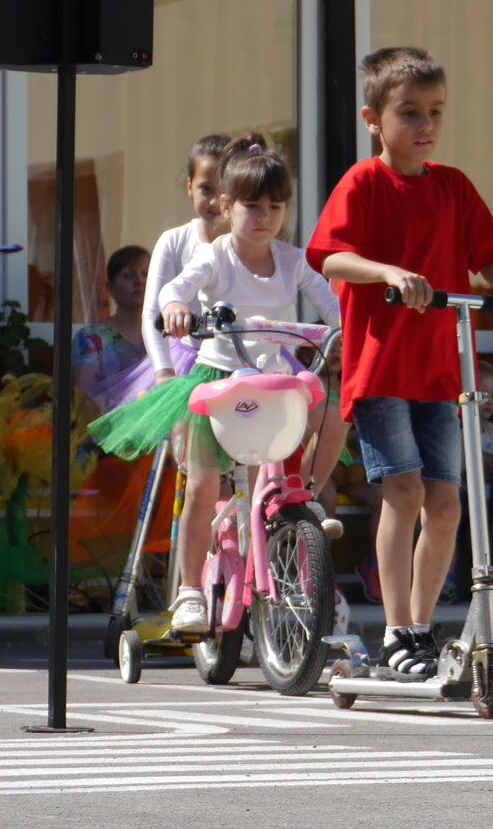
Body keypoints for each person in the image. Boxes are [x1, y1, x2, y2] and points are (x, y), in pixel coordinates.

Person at [308, 46, 493, 678]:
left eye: (435, 112)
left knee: (447, 506)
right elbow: (328, 256)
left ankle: (422, 629)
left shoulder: (455, 186)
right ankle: (395, 632)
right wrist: (388, 272)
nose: (425, 126)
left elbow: (490, 256)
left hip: (442, 372)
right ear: (373, 119)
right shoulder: (364, 183)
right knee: (402, 494)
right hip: (381, 370)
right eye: (409, 113)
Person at [94, 136, 344, 635]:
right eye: (252, 206)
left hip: (273, 378)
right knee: (204, 486)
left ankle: (306, 494)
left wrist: (343, 333)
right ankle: (189, 591)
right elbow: (173, 290)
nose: (264, 217)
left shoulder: (291, 259)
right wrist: (175, 307)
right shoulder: (214, 256)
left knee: (333, 411)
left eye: (276, 206)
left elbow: (331, 303)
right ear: (227, 207)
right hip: (218, 381)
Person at [142, 133, 233, 384]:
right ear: (190, 186)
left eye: (225, 190)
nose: (215, 201)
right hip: (186, 366)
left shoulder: (251, 245)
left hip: (243, 363)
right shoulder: (174, 241)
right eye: (206, 189)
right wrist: (163, 371)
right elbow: (152, 314)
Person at [74, 245, 156, 411]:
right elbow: (84, 399)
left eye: (146, 274)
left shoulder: (169, 335)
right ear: (110, 288)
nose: (139, 281)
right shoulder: (91, 338)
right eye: (128, 276)